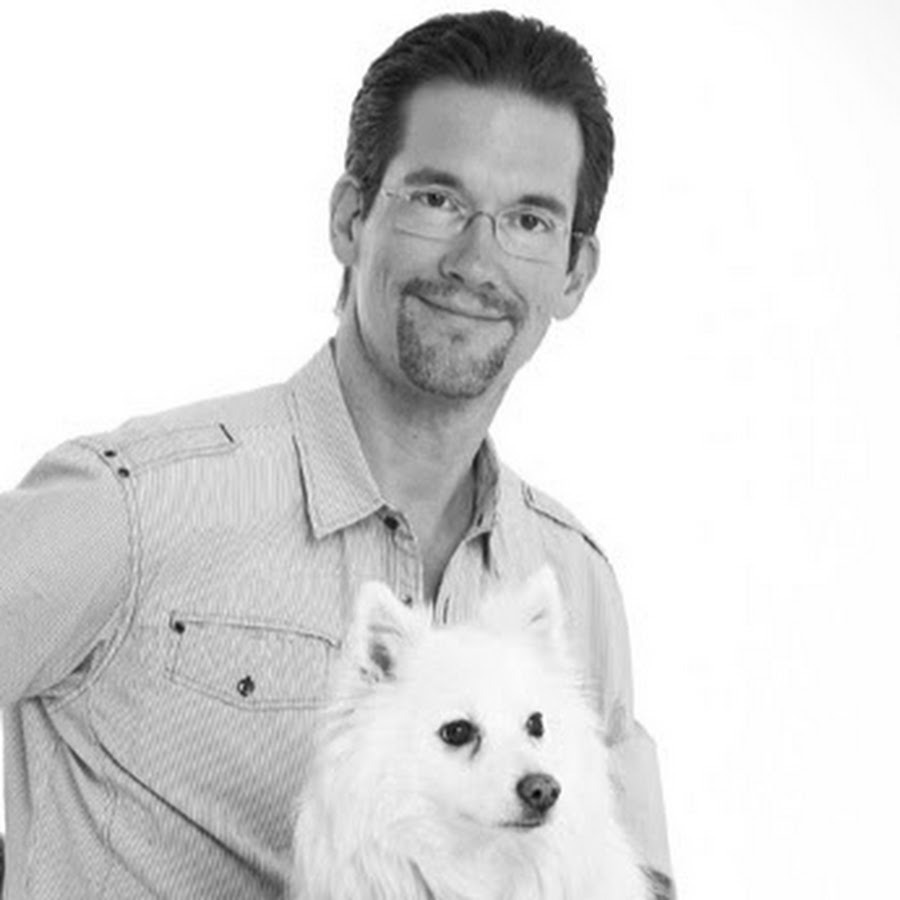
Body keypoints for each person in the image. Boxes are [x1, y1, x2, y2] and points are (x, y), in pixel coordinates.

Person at [0, 10, 673, 898]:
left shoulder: (573, 580)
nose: (477, 260)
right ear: (351, 218)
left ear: (575, 272)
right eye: (437, 200)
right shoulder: (132, 506)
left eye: (529, 220)